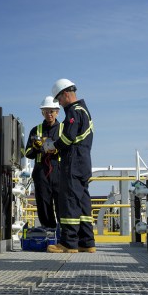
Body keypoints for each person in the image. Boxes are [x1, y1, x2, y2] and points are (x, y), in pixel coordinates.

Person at [44, 78, 96, 254]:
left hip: (73, 163)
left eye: (59, 99)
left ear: (66, 94)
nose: (58, 103)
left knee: (69, 202)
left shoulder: (74, 111)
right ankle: (87, 242)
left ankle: (68, 243)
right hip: (83, 163)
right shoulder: (84, 110)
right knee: (82, 203)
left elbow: (68, 137)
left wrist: (53, 147)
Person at [23, 96, 62, 229]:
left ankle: (64, 232)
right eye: (46, 111)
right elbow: (28, 153)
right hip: (41, 172)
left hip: (59, 171)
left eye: (51, 111)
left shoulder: (63, 129)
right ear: (42, 112)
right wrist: (37, 147)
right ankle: (48, 229)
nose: (49, 114)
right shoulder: (36, 130)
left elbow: (69, 149)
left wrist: (55, 149)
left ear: (57, 111)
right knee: (43, 202)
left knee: (62, 202)